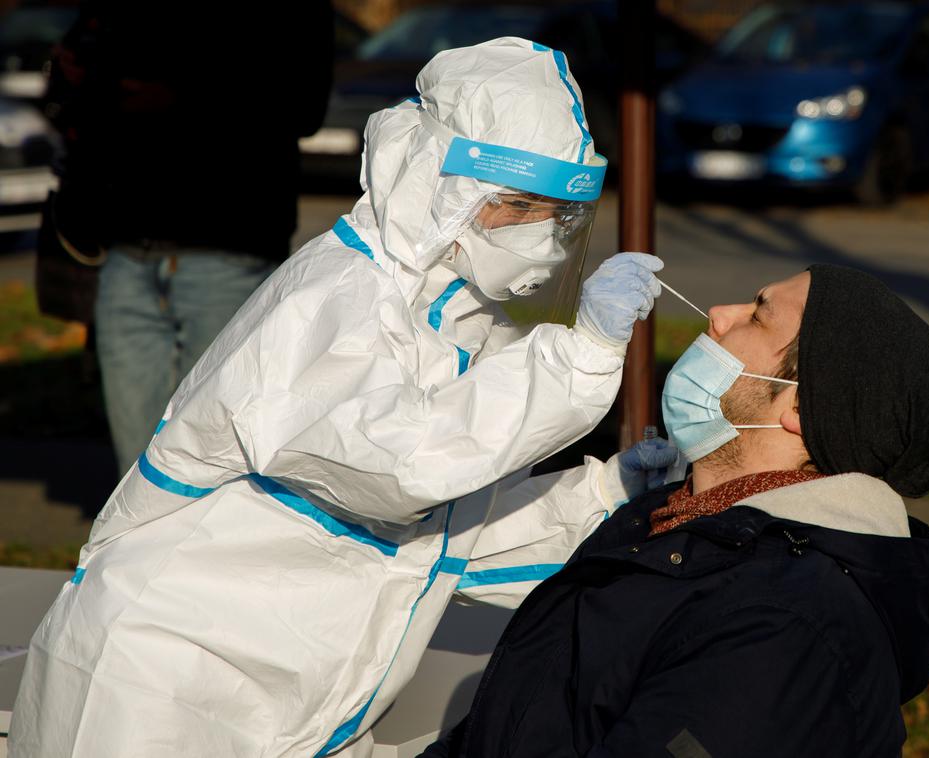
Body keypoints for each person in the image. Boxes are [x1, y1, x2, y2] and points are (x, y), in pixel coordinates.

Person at [10, 38, 672, 757]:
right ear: (432, 181)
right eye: (517, 205)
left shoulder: (463, 324)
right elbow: (398, 469)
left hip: (293, 705)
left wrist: (609, 496)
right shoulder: (334, 298)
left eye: (559, 214)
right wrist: (578, 358)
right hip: (158, 681)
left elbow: (449, 542)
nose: (539, 234)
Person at [419, 264, 929, 757]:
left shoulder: (783, 625)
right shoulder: (674, 523)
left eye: (758, 314)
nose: (719, 314)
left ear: (800, 407)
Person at [43, 0, 336, 474]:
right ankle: (133, 547)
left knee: (216, 450)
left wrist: (178, 97)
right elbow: (72, 82)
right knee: (136, 468)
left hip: (228, 245)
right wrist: (77, 76)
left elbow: (303, 105)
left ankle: (212, 545)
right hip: (126, 246)